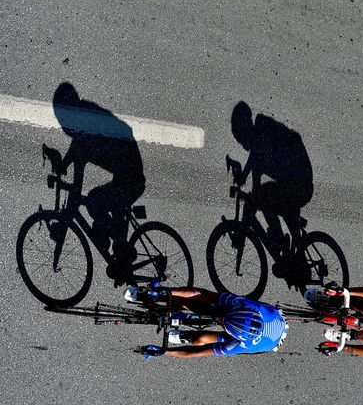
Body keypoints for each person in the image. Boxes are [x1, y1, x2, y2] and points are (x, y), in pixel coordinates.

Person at [52, 82, 146, 283]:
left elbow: (79, 153)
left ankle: (121, 251)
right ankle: (118, 248)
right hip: (126, 172)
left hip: (131, 177)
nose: (62, 122)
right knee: (100, 202)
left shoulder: (85, 127)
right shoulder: (84, 118)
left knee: (97, 201)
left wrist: (70, 181)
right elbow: (77, 147)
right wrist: (64, 165)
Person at [230, 102, 313, 262]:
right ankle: (286, 244)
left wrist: (245, 178)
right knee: (265, 195)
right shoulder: (260, 134)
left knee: (264, 196)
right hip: (297, 183)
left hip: (300, 185)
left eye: (241, 140)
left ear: (246, 128)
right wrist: (245, 177)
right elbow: (255, 159)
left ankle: (282, 241)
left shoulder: (262, 129)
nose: (243, 145)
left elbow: (255, 159)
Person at [127, 284, 288, 358]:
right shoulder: (246, 305)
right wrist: (162, 291)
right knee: (208, 306)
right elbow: (201, 293)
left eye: (223, 324)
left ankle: (184, 336)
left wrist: (165, 351)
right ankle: (154, 297)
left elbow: (197, 352)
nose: (220, 321)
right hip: (276, 317)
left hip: (269, 342)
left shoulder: (239, 344)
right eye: (224, 319)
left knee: (201, 340)